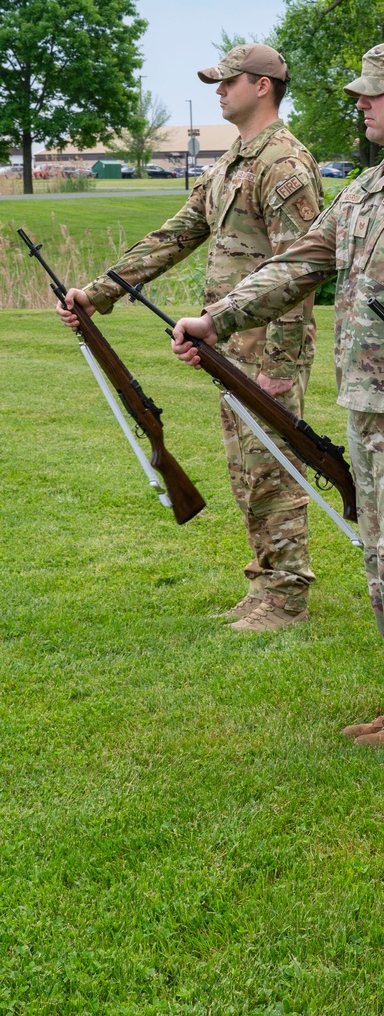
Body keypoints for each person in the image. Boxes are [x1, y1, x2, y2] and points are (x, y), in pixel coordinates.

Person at [169, 38, 384, 747]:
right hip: (369, 406)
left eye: (373, 91)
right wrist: (218, 317)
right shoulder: (371, 185)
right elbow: (301, 262)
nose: (360, 101)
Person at [57, 44, 323, 633]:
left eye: (228, 81)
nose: (219, 90)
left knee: (271, 465)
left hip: (267, 345)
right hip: (228, 343)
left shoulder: (284, 163)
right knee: (245, 466)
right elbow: (177, 233)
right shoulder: (233, 162)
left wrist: (280, 359)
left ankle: (287, 594)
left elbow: (303, 266)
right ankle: (266, 579)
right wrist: (97, 292)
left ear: (263, 86)